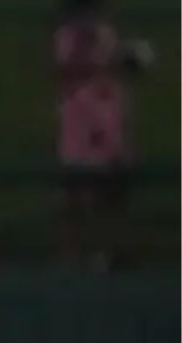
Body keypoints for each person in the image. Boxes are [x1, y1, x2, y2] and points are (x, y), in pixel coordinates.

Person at [54, 0, 154, 266]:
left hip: (104, 118)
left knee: (111, 189)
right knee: (79, 190)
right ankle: (77, 254)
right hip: (83, 119)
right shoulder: (72, 35)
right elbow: (72, 64)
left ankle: (108, 251)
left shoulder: (102, 33)